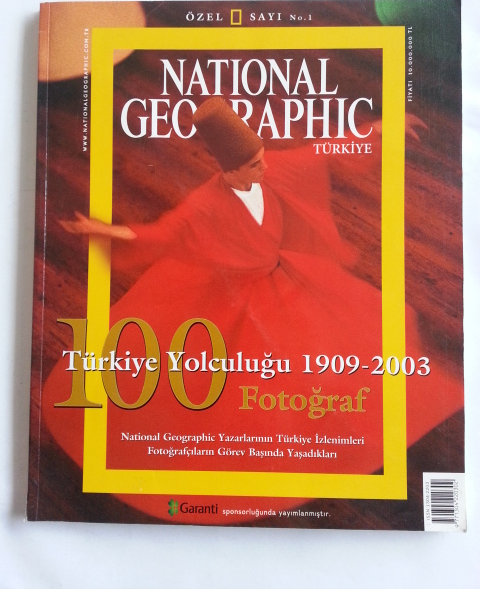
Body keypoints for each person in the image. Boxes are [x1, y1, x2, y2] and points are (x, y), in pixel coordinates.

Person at [48, 97, 462, 524]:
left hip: (286, 276)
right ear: (229, 172)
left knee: (344, 342)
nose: (264, 167)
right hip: (238, 294)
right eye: (253, 165)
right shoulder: (205, 205)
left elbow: (322, 151)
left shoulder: (272, 169)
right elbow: (162, 234)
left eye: (262, 157)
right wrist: (104, 231)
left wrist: (378, 130)